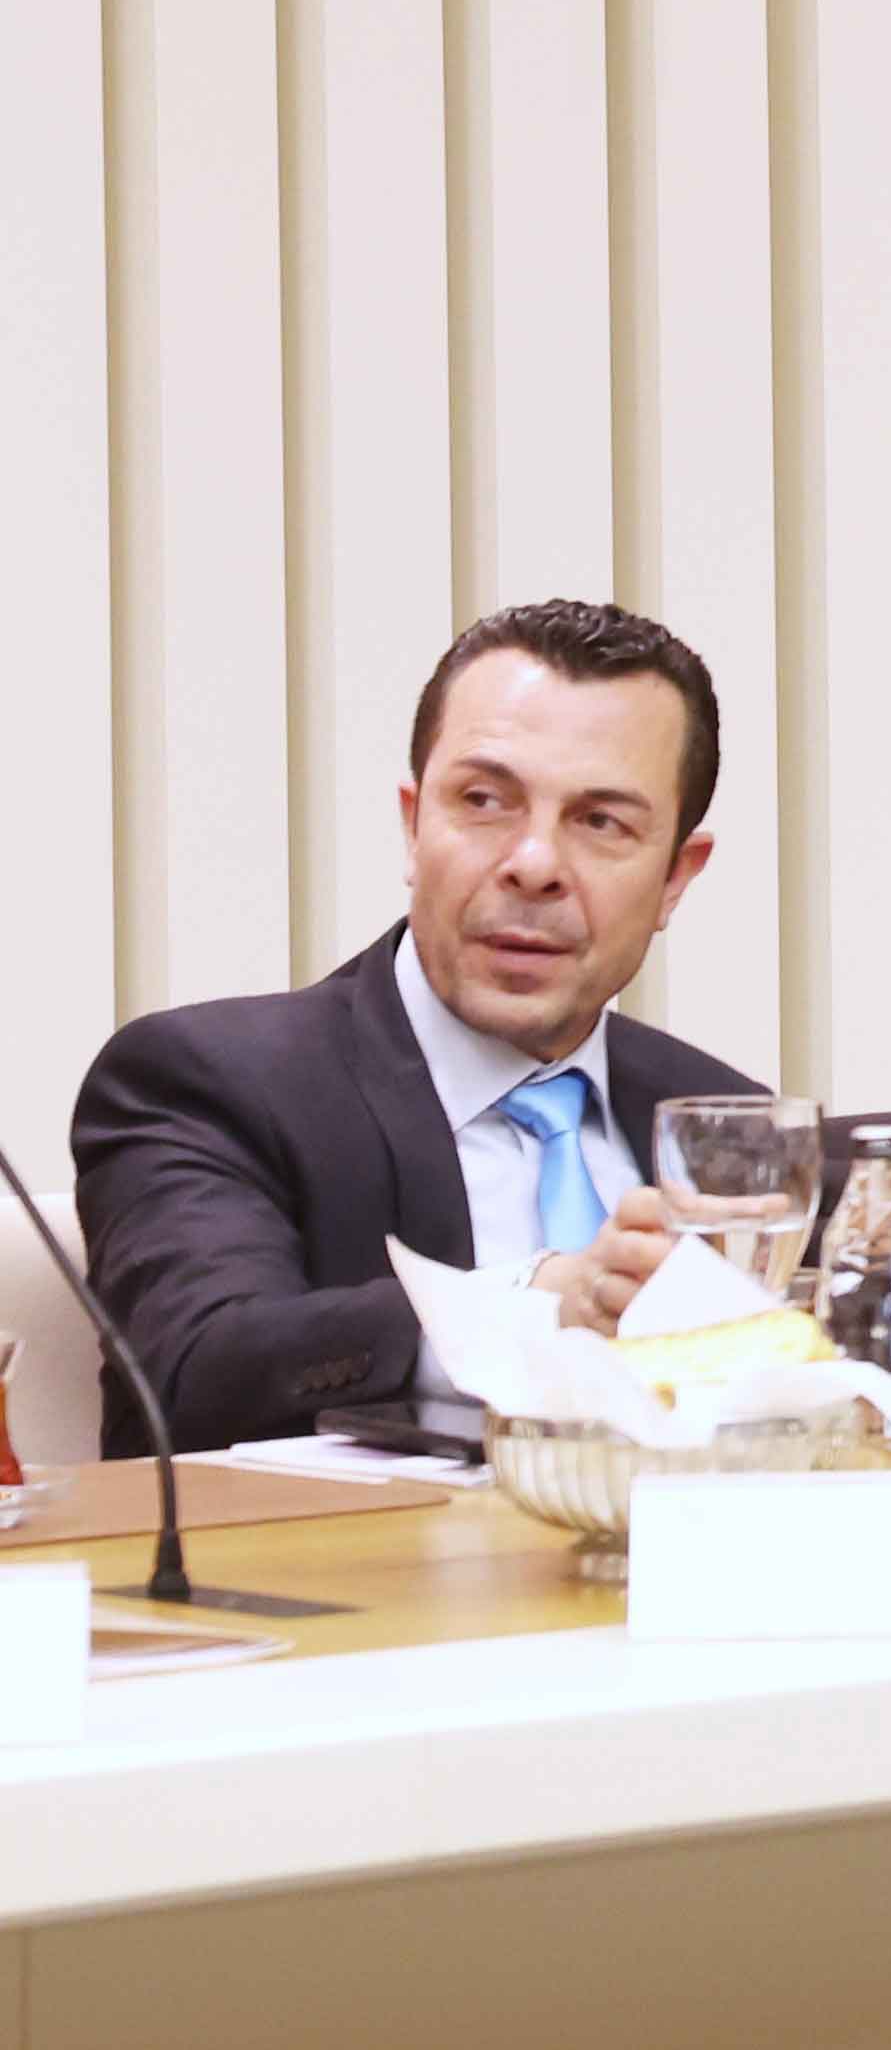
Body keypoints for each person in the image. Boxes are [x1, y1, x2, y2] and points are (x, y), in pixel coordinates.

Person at [69, 602, 757, 1456]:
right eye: (484, 801)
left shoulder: (720, 1120)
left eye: (599, 821)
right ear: (413, 823)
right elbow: (193, 1369)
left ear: (676, 878)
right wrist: (530, 1310)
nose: (533, 864)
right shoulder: (207, 1082)